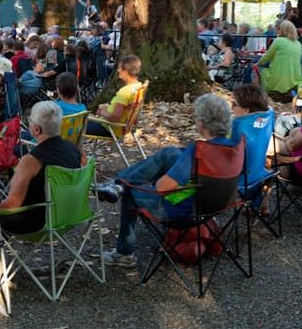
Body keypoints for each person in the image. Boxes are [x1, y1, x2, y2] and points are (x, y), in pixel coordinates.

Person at [94, 94, 236, 267]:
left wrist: (158, 179)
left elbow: (162, 188)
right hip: (214, 208)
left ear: (202, 123)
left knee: (131, 191)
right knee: (169, 153)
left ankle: (124, 254)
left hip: (184, 213)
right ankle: (117, 184)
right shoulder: (233, 147)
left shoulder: (198, 151)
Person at [0, 101, 84, 235]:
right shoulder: (73, 149)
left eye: (30, 121)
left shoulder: (31, 160)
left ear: (37, 129)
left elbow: (11, 205)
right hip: (70, 215)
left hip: (38, 223)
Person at [229, 84, 276, 193]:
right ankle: (262, 204)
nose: (231, 107)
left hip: (240, 179)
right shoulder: (268, 116)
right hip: (260, 174)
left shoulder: (237, 126)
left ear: (245, 110)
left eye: (234, 104)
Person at [85, 55, 145, 138]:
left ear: (125, 71)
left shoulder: (124, 92)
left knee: (77, 126)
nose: (118, 70)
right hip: (122, 128)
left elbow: (114, 118)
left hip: (110, 129)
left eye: (120, 68)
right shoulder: (138, 87)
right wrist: (107, 107)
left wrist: (101, 113)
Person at [257, 20, 302, 101]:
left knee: (258, 71)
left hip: (279, 76)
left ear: (282, 30)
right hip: (295, 76)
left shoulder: (279, 40)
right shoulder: (298, 44)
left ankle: (259, 97)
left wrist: (257, 63)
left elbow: (267, 57)